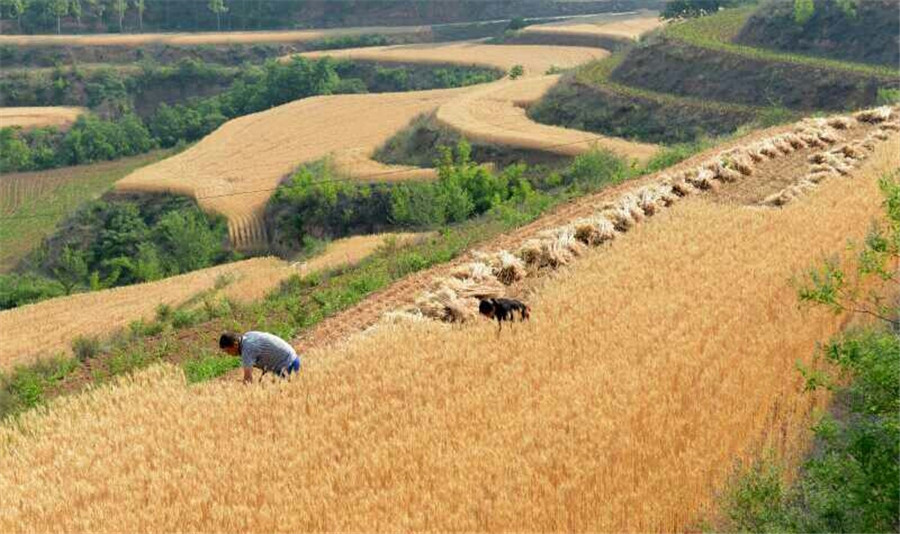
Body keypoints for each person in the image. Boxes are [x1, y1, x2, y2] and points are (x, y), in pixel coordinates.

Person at [219, 331, 301, 383]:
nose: (228, 354)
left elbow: (248, 381)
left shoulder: (247, 349)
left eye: (228, 351)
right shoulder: (248, 335)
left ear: (235, 344)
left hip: (288, 366)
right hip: (292, 358)